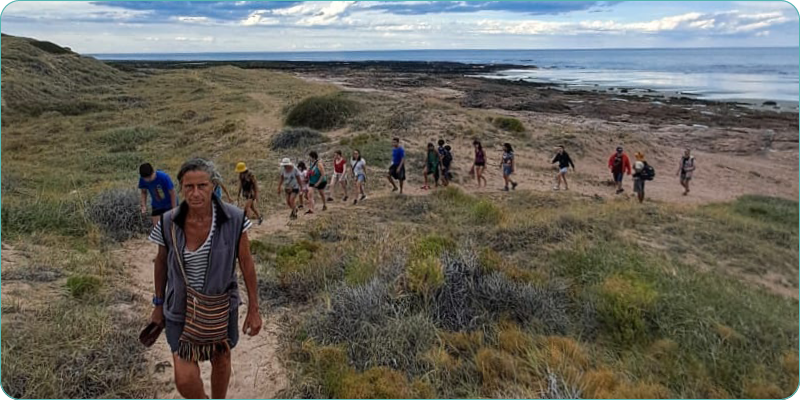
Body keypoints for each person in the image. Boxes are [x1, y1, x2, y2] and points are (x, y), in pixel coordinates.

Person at [147, 158, 262, 400]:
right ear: (181, 188)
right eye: (189, 187)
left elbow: (246, 262)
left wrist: (254, 308)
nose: (195, 193)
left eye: (202, 185)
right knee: (185, 379)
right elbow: (161, 263)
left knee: (221, 361)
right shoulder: (168, 222)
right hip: (179, 308)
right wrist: (158, 304)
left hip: (220, 307)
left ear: (213, 186)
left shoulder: (235, 219)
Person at [139, 163, 178, 227]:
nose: (148, 180)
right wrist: (144, 206)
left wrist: (174, 209)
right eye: (146, 178)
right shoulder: (143, 179)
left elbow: (172, 193)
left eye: (150, 177)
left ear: (153, 172)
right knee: (157, 228)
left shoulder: (164, 177)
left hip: (170, 204)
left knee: (171, 227)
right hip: (157, 205)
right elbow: (143, 192)